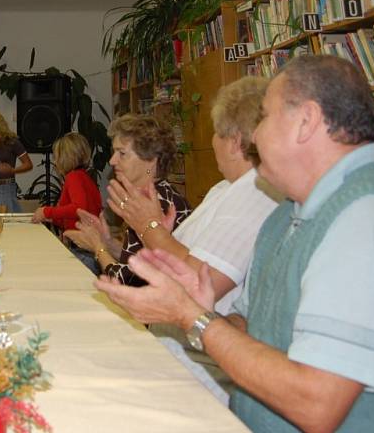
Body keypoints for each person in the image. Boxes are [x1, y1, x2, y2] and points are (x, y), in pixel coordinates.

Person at [96, 55, 374, 431]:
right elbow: (252, 326)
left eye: (263, 117)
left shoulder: (368, 224)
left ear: (306, 122)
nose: (253, 137)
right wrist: (200, 310)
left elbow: (316, 404)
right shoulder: (288, 215)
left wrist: (192, 318)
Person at [93, 77, 278, 402]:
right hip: (175, 350)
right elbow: (170, 260)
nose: (213, 141)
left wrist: (148, 227)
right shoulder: (226, 189)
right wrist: (145, 235)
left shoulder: (254, 193)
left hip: (199, 372)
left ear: (234, 141)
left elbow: (195, 281)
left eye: (216, 132)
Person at [65, 113, 191, 284]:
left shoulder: (158, 205)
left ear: (151, 160)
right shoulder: (152, 196)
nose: (111, 161)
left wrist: (98, 247)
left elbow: (126, 281)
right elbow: (133, 261)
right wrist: (107, 241)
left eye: (122, 153)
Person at [31, 132, 102, 272]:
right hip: (88, 250)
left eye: (56, 157)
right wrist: (52, 217)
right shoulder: (83, 177)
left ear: (66, 158)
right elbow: (75, 215)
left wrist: (47, 211)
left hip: (83, 251)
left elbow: (79, 208)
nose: (55, 162)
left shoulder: (73, 177)